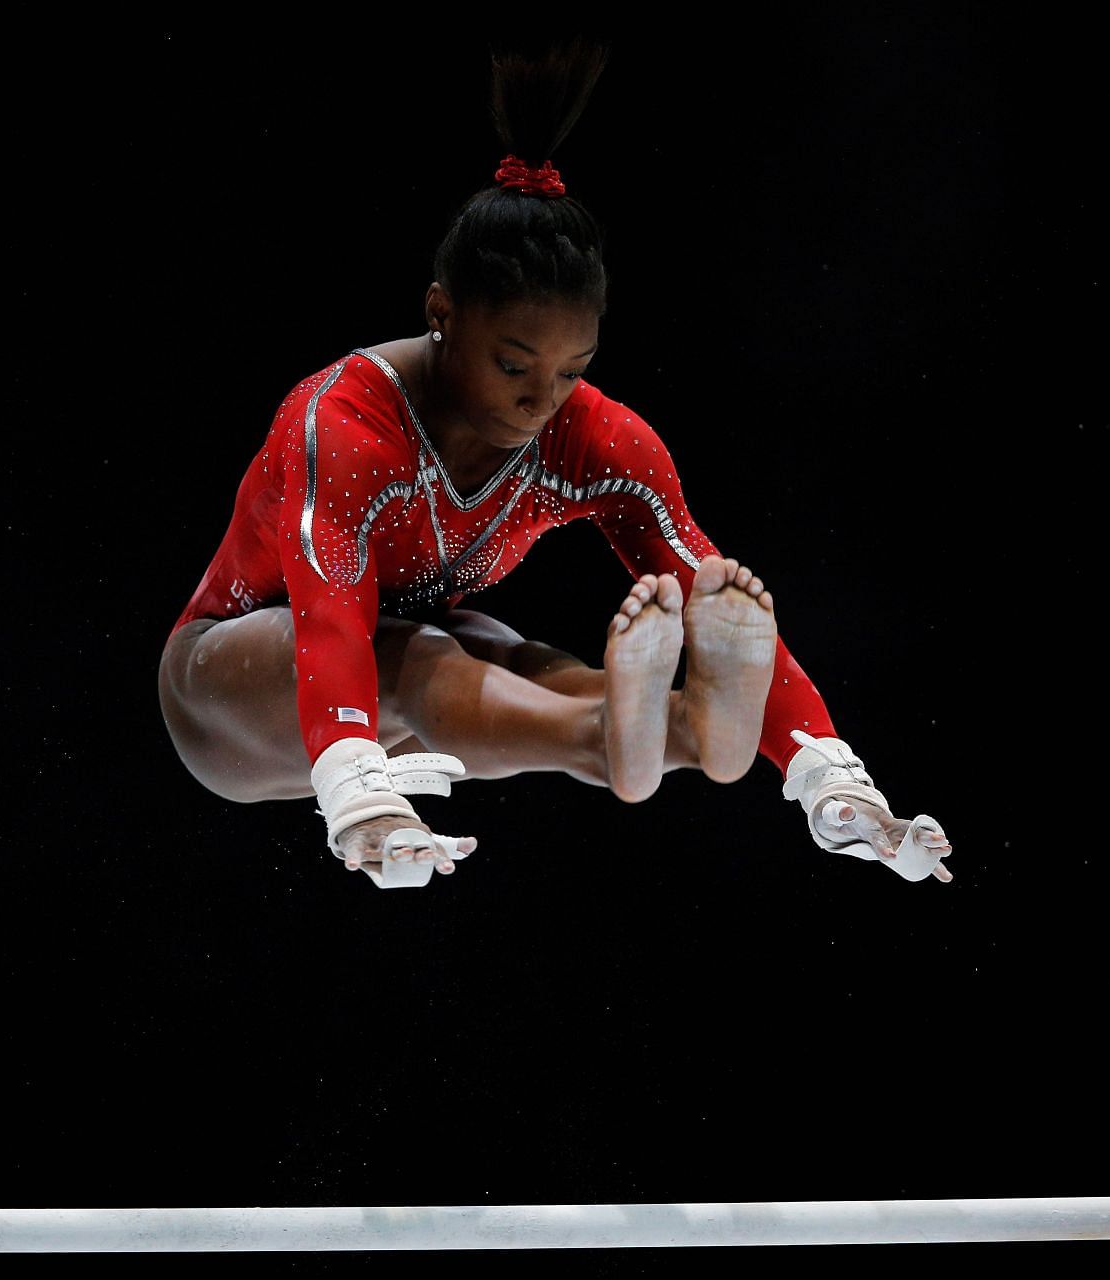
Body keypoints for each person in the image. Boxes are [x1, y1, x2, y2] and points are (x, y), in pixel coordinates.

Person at [156, 40, 953, 888]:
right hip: (225, 692)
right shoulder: (347, 424)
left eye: (572, 370)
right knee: (424, 663)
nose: (543, 401)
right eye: (514, 364)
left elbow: (706, 585)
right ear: (442, 313)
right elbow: (331, 618)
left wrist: (833, 775)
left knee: (533, 667)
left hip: (411, 657)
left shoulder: (594, 439)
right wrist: (361, 797)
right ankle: (613, 737)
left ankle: (684, 736)